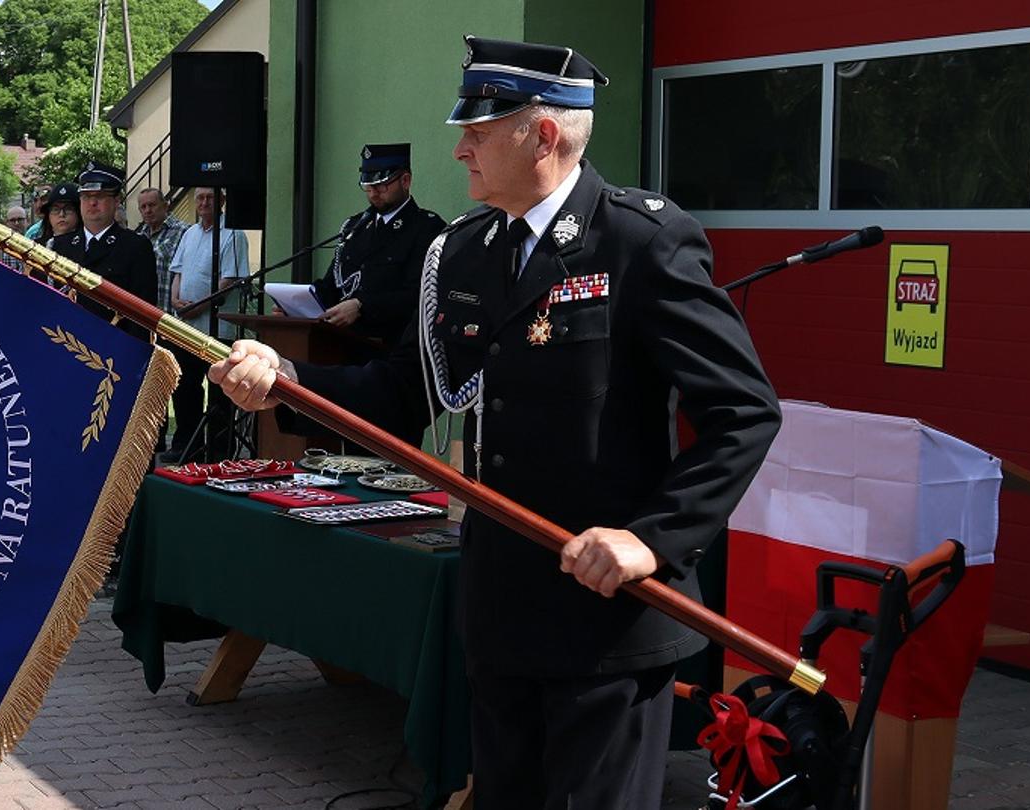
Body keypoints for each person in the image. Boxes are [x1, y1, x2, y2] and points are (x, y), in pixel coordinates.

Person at [207, 36, 781, 808]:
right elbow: (402, 390)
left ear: (541, 134)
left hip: (605, 616)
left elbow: (743, 412)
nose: (460, 150)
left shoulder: (641, 240)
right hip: (500, 607)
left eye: (477, 133)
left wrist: (653, 538)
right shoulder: (465, 251)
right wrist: (288, 382)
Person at [308, 143, 448, 345]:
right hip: (342, 342)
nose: (373, 193)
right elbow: (334, 284)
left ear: (405, 180)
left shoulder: (426, 228)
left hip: (391, 345)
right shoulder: (354, 226)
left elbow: (420, 295)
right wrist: (296, 304)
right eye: (368, 185)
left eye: (381, 184)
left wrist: (362, 307)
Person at [168, 187, 250, 461]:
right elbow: (177, 271)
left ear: (222, 201)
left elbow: (229, 280)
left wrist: (197, 306)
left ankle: (218, 454)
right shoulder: (189, 233)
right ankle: (186, 447)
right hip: (187, 328)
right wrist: (176, 299)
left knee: (220, 394)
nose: (203, 203)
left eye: (210, 198)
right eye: (200, 198)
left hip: (217, 329)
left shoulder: (233, 234)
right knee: (184, 388)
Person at [46, 163, 159, 340]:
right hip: (64, 345)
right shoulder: (59, 246)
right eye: (85, 196)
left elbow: (142, 315)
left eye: (100, 196)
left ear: (116, 201)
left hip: (113, 351)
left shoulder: (135, 247)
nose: (92, 203)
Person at [135, 188, 188, 317]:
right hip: (145, 314)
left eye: (152, 205)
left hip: (172, 316)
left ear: (165, 206)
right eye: (143, 207)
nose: (148, 210)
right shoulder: (138, 237)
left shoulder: (184, 232)